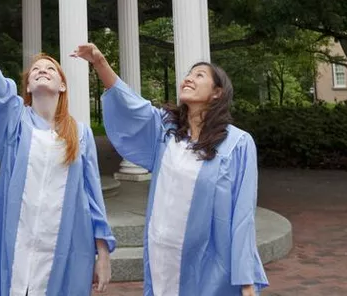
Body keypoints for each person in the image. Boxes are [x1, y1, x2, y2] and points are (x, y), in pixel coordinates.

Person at [72, 43, 269, 296]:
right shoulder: (166, 132)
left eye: (199, 75)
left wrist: (247, 279)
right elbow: (130, 104)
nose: (188, 78)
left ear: (217, 92)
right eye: (188, 74)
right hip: (161, 253)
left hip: (209, 261)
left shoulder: (237, 144)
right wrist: (99, 63)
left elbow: (242, 215)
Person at [0, 0, 114, 296]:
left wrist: (104, 254)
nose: (42, 72)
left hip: (66, 243)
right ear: (27, 86)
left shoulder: (79, 133)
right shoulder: (16, 121)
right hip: (19, 241)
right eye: (36, 71)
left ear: (61, 85)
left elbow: (93, 198)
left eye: (50, 70)